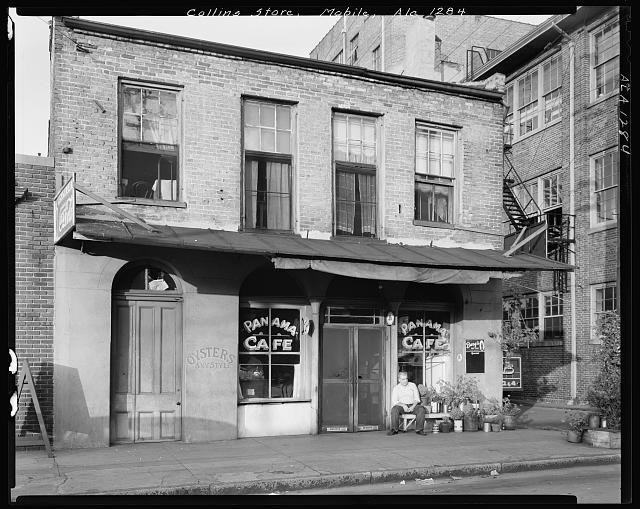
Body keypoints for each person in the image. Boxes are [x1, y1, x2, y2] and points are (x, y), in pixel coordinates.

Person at [387, 371, 427, 436]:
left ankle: (419, 430)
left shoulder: (412, 385)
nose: (405, 381)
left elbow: (417, 399)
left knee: (421, 409)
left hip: (412, 405)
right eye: (403, 379)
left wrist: (413, 406)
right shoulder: (396, 388)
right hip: (401, 406)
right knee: (394, 409)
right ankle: (394, 429)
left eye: (406, 379)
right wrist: (403, 405)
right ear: (399, 380)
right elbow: (395, 401)